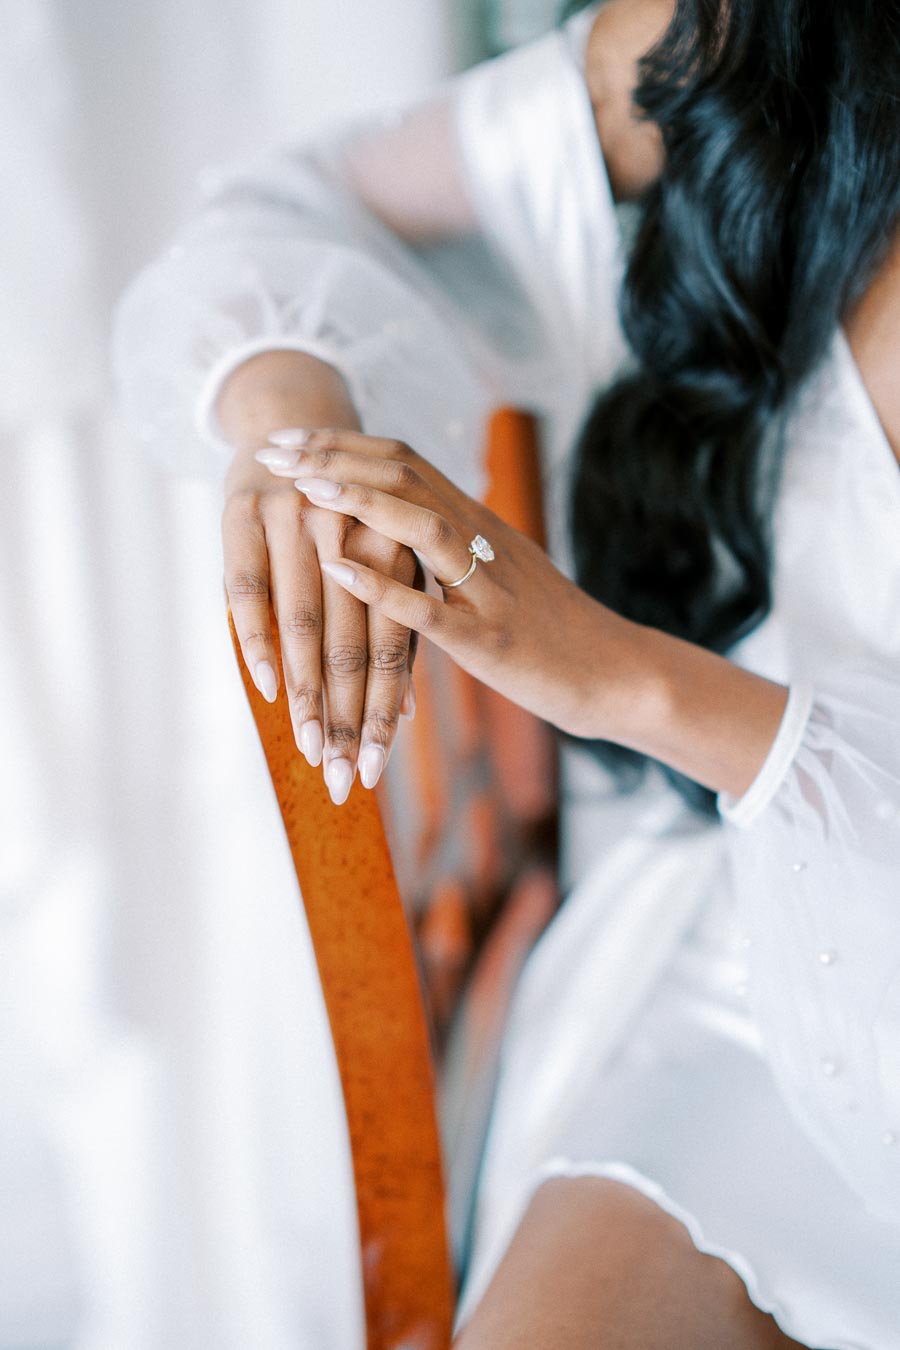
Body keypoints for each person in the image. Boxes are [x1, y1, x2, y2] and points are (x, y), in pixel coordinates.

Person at [113, 0, 900, 1343]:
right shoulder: (743, 43)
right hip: (780, 951)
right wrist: (297, 432)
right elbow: (281, 208)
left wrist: (630, 682)